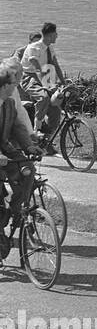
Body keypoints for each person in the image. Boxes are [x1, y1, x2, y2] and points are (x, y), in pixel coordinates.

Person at [0, 58, 44, 260]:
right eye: (13, 83)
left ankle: (17, 209)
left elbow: (17, 127)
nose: (16, 86)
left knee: (28, 169)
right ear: (4, 86)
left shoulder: (9, 104)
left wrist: (29, 146)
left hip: (5, 150)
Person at [21, 22, 66, 151]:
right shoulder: (34, 48)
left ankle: (46, 141)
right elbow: (37, 68)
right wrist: (46, 85)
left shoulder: (49, 48)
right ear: (50, 35)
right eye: (55, 34)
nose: (57, 36)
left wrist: (64, 83)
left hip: (45, 76)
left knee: (56, 109)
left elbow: (56, 65)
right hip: (30, 77)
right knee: (44, 97)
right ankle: (36, 130)